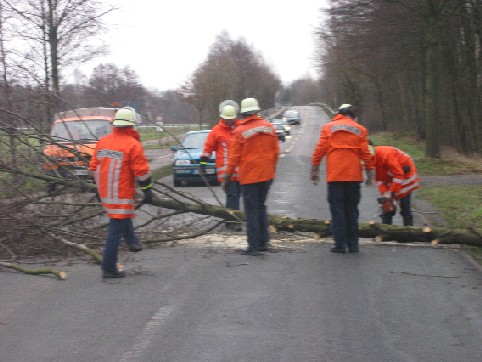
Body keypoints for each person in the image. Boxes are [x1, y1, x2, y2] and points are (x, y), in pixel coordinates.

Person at [89, 107, 153, 278]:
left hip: (105, 192)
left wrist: (97, 188)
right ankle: (109, 267)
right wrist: (148, 191)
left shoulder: (103, 142)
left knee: (121, 217)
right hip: (121, 192)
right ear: (131, 125)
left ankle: (132, 242)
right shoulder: (133, 145)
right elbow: (142, 173)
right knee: (115, 230)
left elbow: (93, 167)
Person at [310, 104, 374, 253]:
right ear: (352, 115)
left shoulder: (328, 128)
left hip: (335, 175)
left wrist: (315, 169)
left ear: (339, 113)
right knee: (352, 210)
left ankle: (340, 244)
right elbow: (365, 153)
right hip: (353, 176)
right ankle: (353, 244)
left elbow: (320, 149)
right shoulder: (361, 130)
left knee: (337, 210)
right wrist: (370, 173)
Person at [225, 97, 279, 255]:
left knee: (251, 209)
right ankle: (264, 242)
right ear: (256, 111)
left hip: (249, 176)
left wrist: (227, 177)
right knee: (261, 206)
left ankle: (253, 245)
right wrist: (271, 170)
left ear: (243, 113)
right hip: (266, 175)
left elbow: (234, 157)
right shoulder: (269, 128)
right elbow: (276, 152)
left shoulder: (239, 131)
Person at [200, 100, 242, 230]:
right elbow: (208, 148)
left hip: (240, 172)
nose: (229, 121)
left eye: (231, 119)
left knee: (236, 196)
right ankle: (232, 222)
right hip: (225, 173)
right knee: (232, 196)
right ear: (222, 118)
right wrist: (203, 163)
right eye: (227, 119)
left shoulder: (240, 128)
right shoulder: (216, 131)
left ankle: (232, 219)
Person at [369, 142, 419, 226]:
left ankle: (409, 233)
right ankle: (386, 232)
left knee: (405, 207)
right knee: (388, 208)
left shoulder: (386, 155)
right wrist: (385, 193)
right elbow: (380, 180)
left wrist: (391, 192)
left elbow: (399, 175)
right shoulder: (375, 160)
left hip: (405, 173)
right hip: (392, 174)